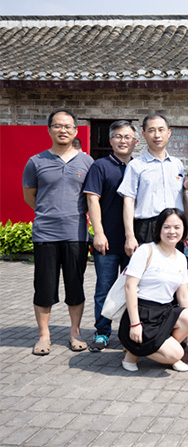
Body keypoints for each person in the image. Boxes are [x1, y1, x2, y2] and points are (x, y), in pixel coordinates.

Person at [22, 110, 94, 355]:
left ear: (75, 131)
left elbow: (92, 198)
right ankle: (44, 335)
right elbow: (29, 196)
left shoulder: (87, 162)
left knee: (75, 286)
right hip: (45, 234)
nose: (63, 130)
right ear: (49, 129)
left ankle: (75, 332)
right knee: (44, 287)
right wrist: (49, 213)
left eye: (68, 126)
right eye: (57, 126)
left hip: (76, 234)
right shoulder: (35, 162)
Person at [83, 120, 139, 352]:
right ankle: (102, 332)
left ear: (136, 142)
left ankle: (127, 333)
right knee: (104, 289)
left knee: (132, 289)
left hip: (133, 242)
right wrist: (98, 233)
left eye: (127, 137)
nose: (123, 141)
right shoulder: (100, 166)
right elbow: (92, 199)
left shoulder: (139, 167)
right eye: (118, 136)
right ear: (110, 140)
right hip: (106, 241)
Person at [119, 208, 188, 372]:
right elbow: (130, 287)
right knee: (177, 353)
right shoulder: (146, 250)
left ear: (184, 230)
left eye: (177, 227)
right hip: (142, 312)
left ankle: (163, 351)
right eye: (167, 227)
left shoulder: (181, 258)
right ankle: (133, 353)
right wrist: (135, 324)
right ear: (159, 229)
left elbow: (182, 294)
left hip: (165, 312)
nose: (172, 232)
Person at [118, 112, 187, 256]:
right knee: (148, 268)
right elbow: (128, 201)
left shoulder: (177, 164)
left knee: (173, 268)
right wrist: (130, 236)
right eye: (151, 130)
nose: (157, 135)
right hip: (147, 228)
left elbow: (183, 196)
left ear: (169, 133)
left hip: (175, 227)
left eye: (161, 130)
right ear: (144, 134)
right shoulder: (136, 165)